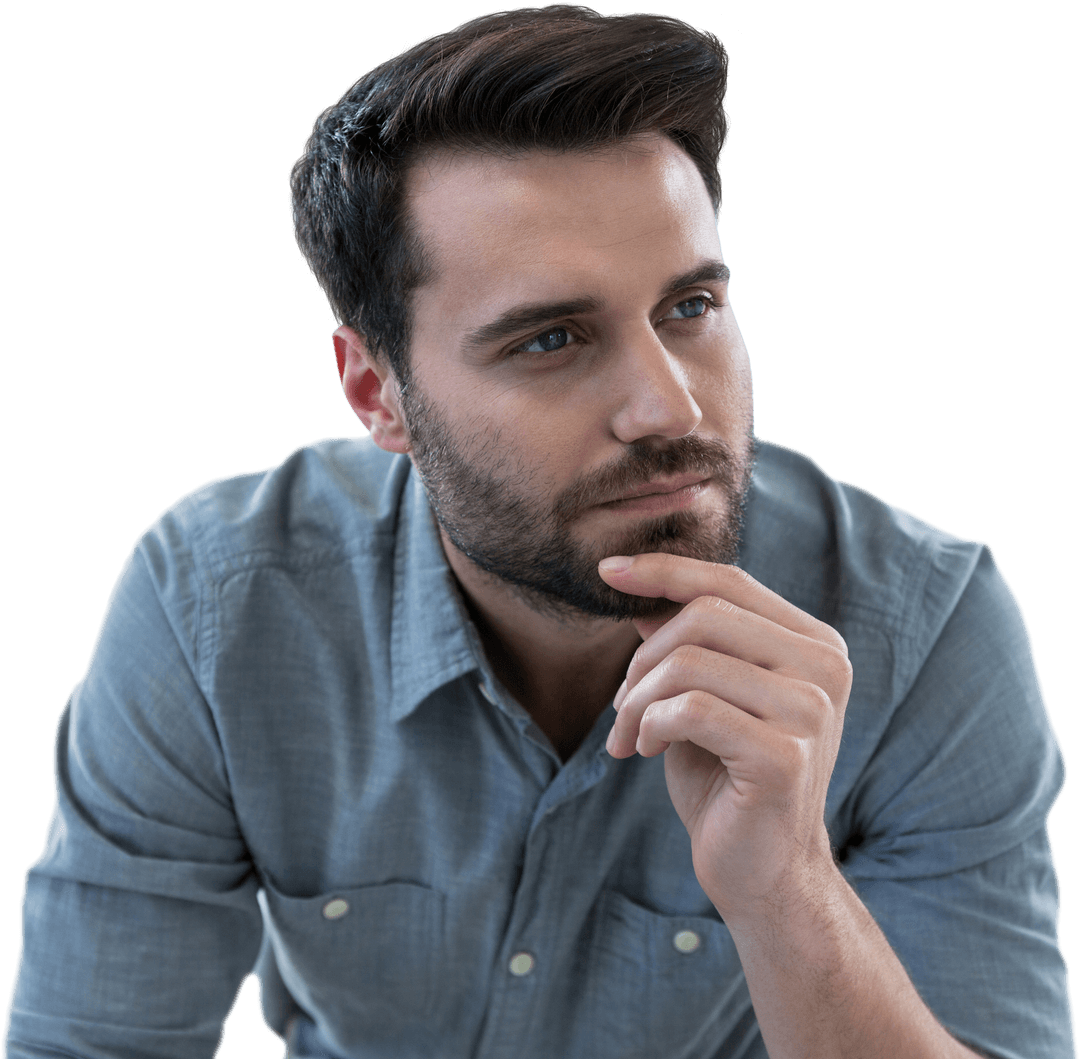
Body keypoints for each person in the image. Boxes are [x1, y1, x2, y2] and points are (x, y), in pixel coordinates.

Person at [4, 4, 1074, 1057]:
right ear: (378, 395)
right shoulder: (218, 604)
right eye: (550, 339)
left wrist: (787, 888)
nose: (668, 410)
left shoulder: (925, 629)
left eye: (689, 308)